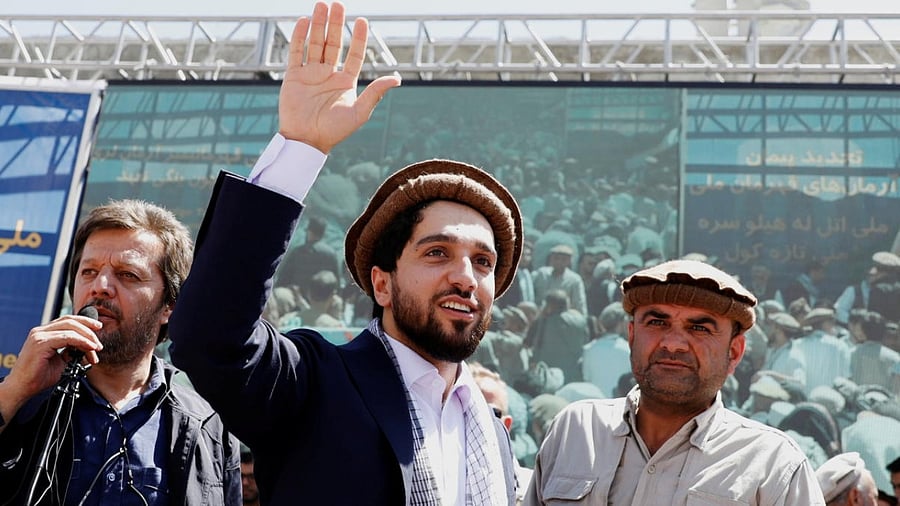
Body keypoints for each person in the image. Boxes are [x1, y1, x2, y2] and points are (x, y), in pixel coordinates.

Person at [166, 2, 520, 504]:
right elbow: (210, 339)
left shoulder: (492, 433)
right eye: (437, 252)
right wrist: (302, 146)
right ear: (382, 283)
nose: (465, 276)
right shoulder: (315, 382)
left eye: (483, 262)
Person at [524, 259, 825, 505]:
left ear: (734, 353)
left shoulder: (773, 465)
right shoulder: (577, 430)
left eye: (699, 328)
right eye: (657, 323)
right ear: (631, 336)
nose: (674, 343)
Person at [0, 200, 240, 505]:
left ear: (170, 305)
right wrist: (14, 391)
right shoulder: (25, 400)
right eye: (88, 271)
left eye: (127, 275)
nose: (100, 286)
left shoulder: (207, 424)